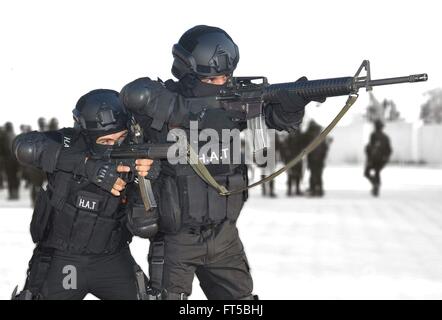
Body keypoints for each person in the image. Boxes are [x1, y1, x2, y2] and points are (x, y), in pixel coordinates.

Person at [120, 25, 314, 300]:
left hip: (224, 237)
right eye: (212, 80)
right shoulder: (161, 102)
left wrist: (293, 104)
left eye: (226, 77)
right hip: (177, 240)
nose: (222, 84)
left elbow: (278, 120)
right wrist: (195, 113)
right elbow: (130, 95)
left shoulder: (236, 102)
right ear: (187, 74)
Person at [12, 89, 155, 300]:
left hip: (112, 259)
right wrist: (85, 165)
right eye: (105, 142)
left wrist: (149, 177)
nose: (115, 146)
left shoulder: (135, 151)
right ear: (86, 136)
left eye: (121, 137)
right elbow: (23, 147)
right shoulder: (67, 143)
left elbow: (147, 222)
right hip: (62, 259)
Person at [364, 120, 392, 196]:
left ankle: (375, 185)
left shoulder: (373, 135)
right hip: (382, 159)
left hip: (374, 158)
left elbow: (370, 147)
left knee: (366, 173)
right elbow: (389, 150)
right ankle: (376, 186)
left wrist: (368, 158)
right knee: (377, 172)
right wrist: (386, 158)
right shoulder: (386, 137)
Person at [306, 121, 330, 197]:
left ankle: (315, 190)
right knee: (317, 175)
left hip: (315, 159)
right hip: (317, 159)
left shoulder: (311, 136)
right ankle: (317, 190)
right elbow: (325, 148)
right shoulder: (319, 136)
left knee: (315, 175)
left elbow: (324, 148)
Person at [281, 131, 306, 196]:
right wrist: (285, 160)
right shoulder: (288, 139)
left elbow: (302, 147)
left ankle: (297, 190)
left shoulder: (300, 138)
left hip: (297, 159)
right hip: (290, 160)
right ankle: (289, 190)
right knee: (290, 175)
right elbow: (284, 150)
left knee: (298, 175)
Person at [1, 122, 20, 199]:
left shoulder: (4, 136)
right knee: (15, 177)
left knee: (10, 177)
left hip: (8, 159)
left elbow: (2, 149)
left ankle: (12, 195)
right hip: (16, 159)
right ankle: (16, 194)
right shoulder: (14, 135)